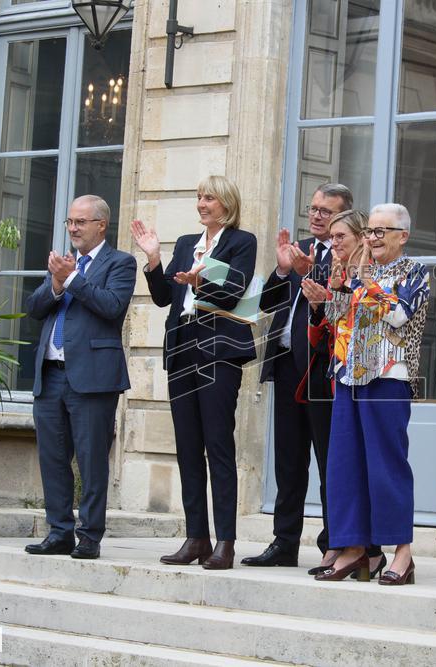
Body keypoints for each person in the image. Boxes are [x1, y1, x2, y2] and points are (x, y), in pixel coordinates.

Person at [130, 175, 256, 570]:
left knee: (218, 445)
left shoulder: (242, 241)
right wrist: (153, 259)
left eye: (210, 198)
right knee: (187, 447)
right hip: (182, 349)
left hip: (218, 351)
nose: (202, 204)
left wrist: (200, 279)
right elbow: (165, 296)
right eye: (199, 197)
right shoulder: (187, 244)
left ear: (226, 204)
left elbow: (234, 292)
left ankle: (226, 542)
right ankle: (196, 537)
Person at [305, 203, 429, 586]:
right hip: (348, 376)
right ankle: (354, 548)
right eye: (370, 231)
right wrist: (323, 301)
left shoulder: (415, 271)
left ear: (401, 236)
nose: (372, 238)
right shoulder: (360, 273)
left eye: (380, 231)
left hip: (389, 377)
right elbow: (343, 320)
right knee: (346, 465)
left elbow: (400, 313)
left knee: (386, 465)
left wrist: (361, 282)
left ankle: (402, 554)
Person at [242, 184, 352, 570]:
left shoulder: (347, 253)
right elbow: (266, 306)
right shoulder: (298, 249)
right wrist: (282, 270)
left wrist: (311, 271)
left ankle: (332, 543)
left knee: (328, 462)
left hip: (324, 372)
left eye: (327, 211)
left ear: (342, 216)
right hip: (288, 366)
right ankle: (284, 542)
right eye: (314, 207)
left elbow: (338, 302)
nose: (317, 215)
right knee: (288, 461)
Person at [24, 194, 137, 561]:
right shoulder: (62, 264)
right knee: (53, 459)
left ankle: (89, 536)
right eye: (70, 222)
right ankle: (59, 532)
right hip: (51, 374)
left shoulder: (121, 262)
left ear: (101, 225)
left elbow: (111, 306)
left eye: (80, 222)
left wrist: (70, 278)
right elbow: (35, 308)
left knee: (90, 462)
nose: (72, 228)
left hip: (93, 378)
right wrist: (57, 284)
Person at [300, 209, 386, 578]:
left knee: (367, 464)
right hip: (335, 375)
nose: (333, 244)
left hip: (371, 377)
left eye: (340, 238)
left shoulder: (369, 274)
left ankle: (372, 549)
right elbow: (327, 331)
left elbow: (368, 321)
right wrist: (320, 305)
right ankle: (344, 543)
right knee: (339, 465)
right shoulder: (334, 273)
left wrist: (335, 299)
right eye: (331, 238)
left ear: (360, 238)